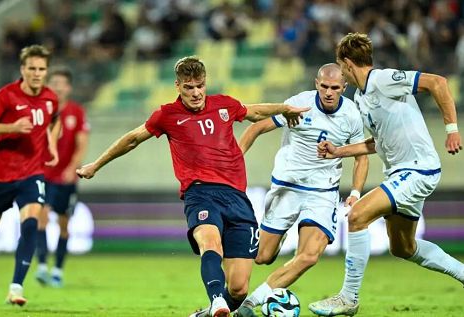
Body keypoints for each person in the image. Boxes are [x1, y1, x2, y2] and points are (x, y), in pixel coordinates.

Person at [76, 56, 310, 317]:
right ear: (178, 86)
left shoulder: (224, 105)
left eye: (200, 86)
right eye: (189, 87)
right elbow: (132, 139)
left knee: (240, 288)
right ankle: (217, 300)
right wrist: (95, 164)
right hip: (200, 193)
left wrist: (285, 108)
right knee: (210, 243)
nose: (196, 93)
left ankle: (209, 311)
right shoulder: (167, 115)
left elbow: (254, 111)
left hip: (237, 198)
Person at [309, 32, 463, 316]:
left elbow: (437, 82)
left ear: (346, 64)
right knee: (403, 248)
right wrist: (338, 151)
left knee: (357, 216)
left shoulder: (382, 79)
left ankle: (348, 298)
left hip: (418, 169)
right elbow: (378, 142)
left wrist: (452, 130)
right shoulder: (362, 97)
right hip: (400, 173)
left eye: (340, 67)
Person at [232, 64, 369, 317]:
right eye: (324, 86)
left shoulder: (352, 115)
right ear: (317, 83)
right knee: (262, 256)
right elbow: (256, 127)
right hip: (287, 187)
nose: (329, 92)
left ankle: (251, 303)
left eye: (335, 88)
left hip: (322, 192)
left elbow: (362, 156)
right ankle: (278, 237)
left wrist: (355, 193)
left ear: (344, 87)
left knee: (308, 256)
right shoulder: (298, 104)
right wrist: (233, 165)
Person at [0, 44, 60, 306]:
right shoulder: (6, 96)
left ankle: (16, 288)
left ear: (46, 71)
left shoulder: (50, 98)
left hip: (32, 174)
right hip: (0, 175)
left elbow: (52, 121)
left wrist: (51, 145)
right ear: (22, 69)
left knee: (31, 223)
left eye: (41, 69)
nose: (36, 73)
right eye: (31, 68)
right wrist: (12, 126)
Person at [35, 67, 90, 288]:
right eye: (54, 82)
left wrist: (73, 168)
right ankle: (40, 266)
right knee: (41, 217)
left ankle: (57, 270)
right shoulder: (41, 111)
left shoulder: (76, 112)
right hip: (43, 174)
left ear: (69, 87)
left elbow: (82, 143)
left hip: (66, 178)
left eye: (62, 83)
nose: (58, 87)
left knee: (64, 224)